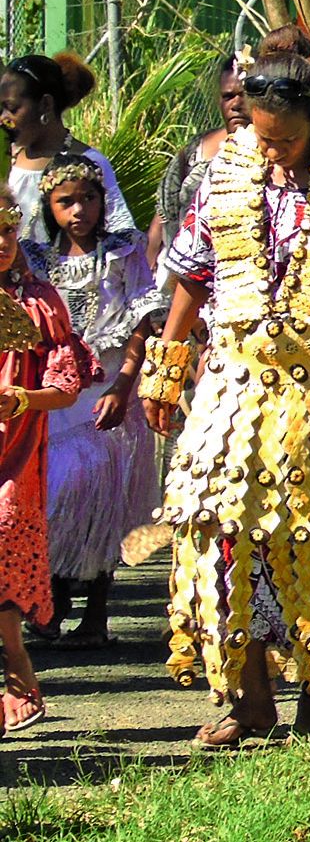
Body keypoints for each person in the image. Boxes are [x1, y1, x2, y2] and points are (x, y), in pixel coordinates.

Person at [141, 53, 310, 747]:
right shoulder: (225, 171)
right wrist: (168, 367)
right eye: (263, 136)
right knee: (218, 535)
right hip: (234, 383)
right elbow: (192, 273)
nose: (273, 151)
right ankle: (249, 698)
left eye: (286, 139)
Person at [37, 154, 161, 649]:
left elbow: (139, 317)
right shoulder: (37, 259)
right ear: (49, 207)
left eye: (88, 198)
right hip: (57, 393)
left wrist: (125, 383)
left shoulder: (124, 251)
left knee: (102, 501)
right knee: (55, 493)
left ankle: (95, 614)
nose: (78, 210)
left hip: (110, 392)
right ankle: (48, 598)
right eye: (66, 202)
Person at [0, 196, 91, 734]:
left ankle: (18, 666)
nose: (2, 243)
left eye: (8, 231)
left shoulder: (39, 300)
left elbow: (65, 384)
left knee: (3, 539)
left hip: (15, 454)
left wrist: (23, 399)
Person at [3, 53, 136, 249]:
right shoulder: (7, 163)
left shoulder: (88, 164)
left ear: (46, 104)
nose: (3, 118)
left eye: (12, 108)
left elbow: (121, 236)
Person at [152, 54, 253, 264]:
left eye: (244, 95)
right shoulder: (195, 150)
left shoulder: (276, 157)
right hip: (185, 275)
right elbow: (163, 215)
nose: (236, 104)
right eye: (228, 96)